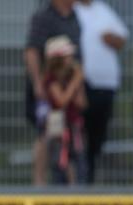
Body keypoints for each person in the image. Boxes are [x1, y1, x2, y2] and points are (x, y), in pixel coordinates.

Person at [24, 0, 81, 186]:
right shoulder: (43, 16)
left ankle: (74, 190)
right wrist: (38, 83)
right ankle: (39, 184)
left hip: (66, 95)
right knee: (45, 137)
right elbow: (31, 50)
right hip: (49, 95)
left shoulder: (74, 17)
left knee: (66, 146)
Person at [73, 0, 128, 184]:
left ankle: (89, 182)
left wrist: (111, 39)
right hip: (81, 85)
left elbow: (122, 39)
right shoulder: (72, 10)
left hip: (106, 84)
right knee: (78, 137)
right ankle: (77, 183)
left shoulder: (103, 10)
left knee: (97, 138)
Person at [43, 36, 88, 185]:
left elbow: (81, 103)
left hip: (74, 127)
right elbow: (61, 101)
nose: (71, 58)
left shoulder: (71, 77)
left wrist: (78, 82)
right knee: (59, 165)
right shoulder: (50, 79)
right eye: (67, 56)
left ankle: (79, 196)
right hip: (59, 130)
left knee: (79, 162)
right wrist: (75, 81)